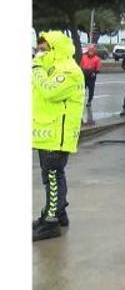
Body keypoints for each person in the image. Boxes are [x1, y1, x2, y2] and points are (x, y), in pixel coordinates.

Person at [32, 32, 85, 241]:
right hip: (48, 133)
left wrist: (36, 69)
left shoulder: (69, 70)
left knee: (53, 177)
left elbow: (50, 91)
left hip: (58, 134)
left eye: (43, 50)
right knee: (52, 176)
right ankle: (57, 213)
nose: (39, 54)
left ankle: (51, 222)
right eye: (38, 50)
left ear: (55, 49)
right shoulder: (52, 68)